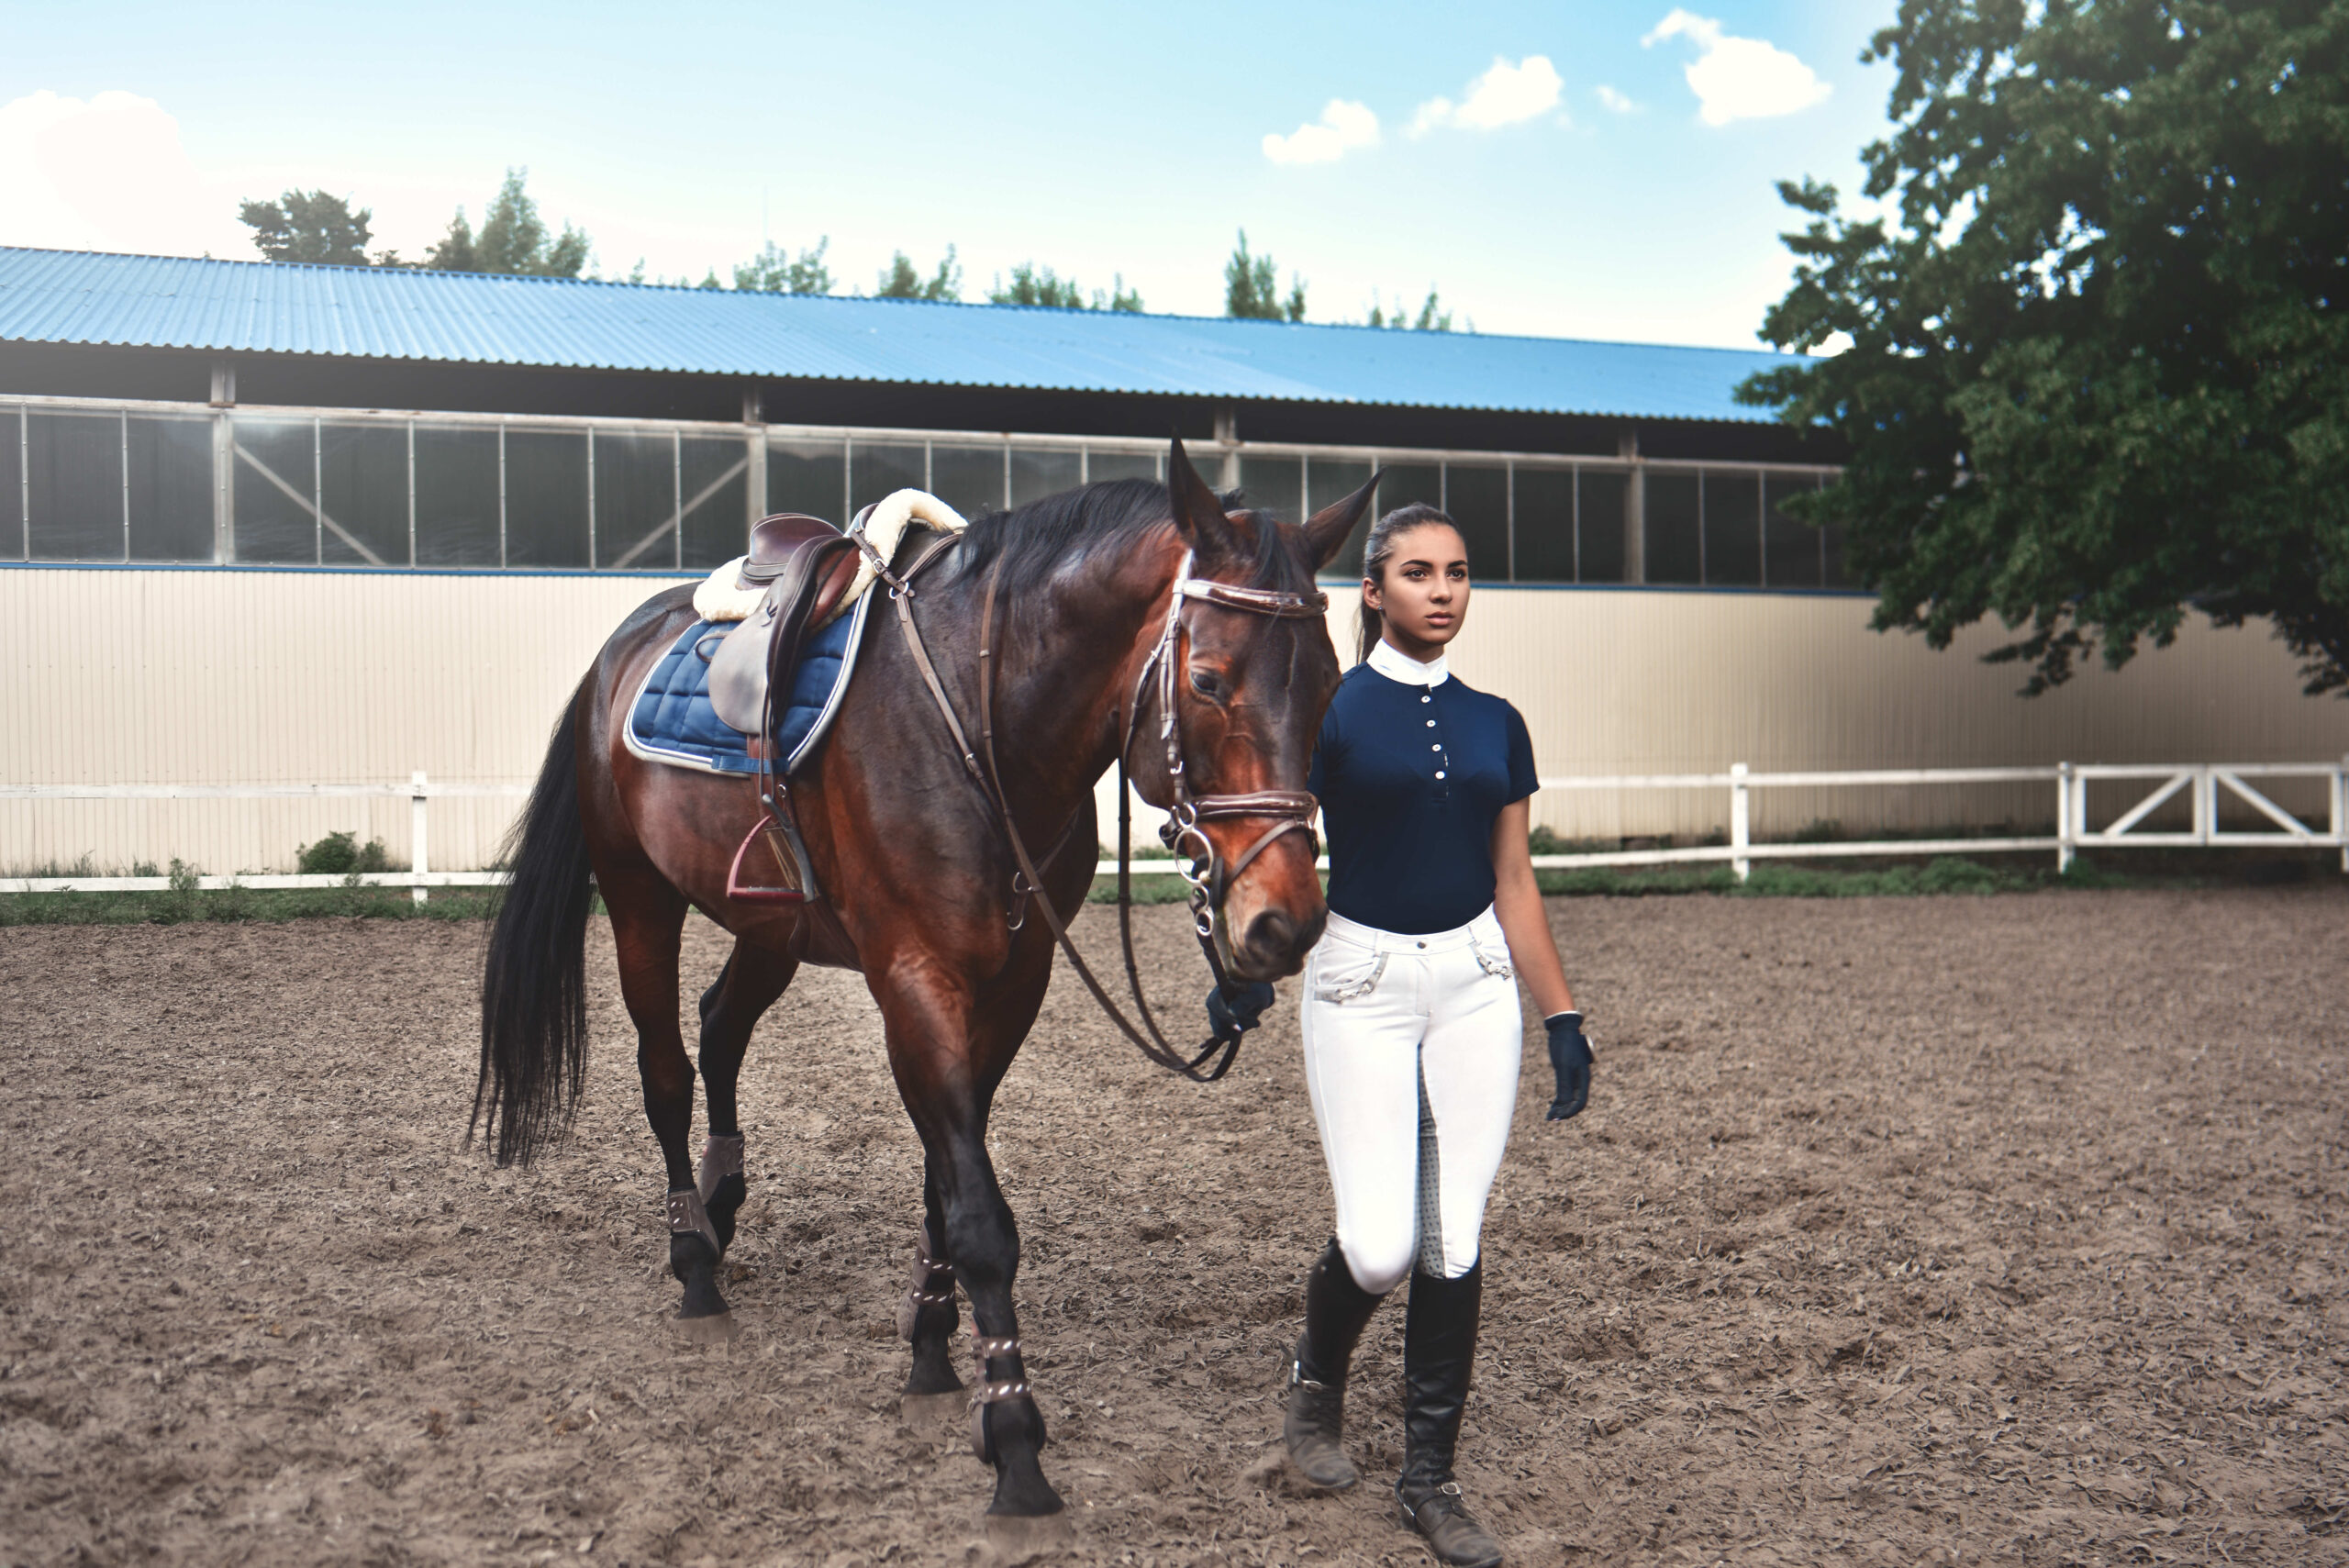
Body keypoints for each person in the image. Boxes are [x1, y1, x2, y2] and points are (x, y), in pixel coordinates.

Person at [1279, 504, 1594, 1568]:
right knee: (1381, 1243)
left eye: (1458, 573)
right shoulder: (1325, 712)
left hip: (1475, 986)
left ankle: (1431, 1479)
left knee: (1454, 1236)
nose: (1443, 590)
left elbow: (1514, 879)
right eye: (1417, 573)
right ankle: (1315, 1380)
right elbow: (1270, 851)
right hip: (1358, 979)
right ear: (1372, 591)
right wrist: (1240, 973)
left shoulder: (1498, 720)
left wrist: (1560, 1013)